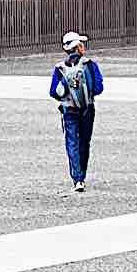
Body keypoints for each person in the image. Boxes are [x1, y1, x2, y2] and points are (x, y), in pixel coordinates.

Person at [49, 31, 103, 192]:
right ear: (77, 47)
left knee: (71, 142)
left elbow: (53, 92)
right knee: (84, 142)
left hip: (68, 110)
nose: (83, 46)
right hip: (87, 109)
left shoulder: (60, 68)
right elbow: (99, 88)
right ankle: (83, 176)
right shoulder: (90, 65)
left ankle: (77, 179)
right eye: (81, 44)